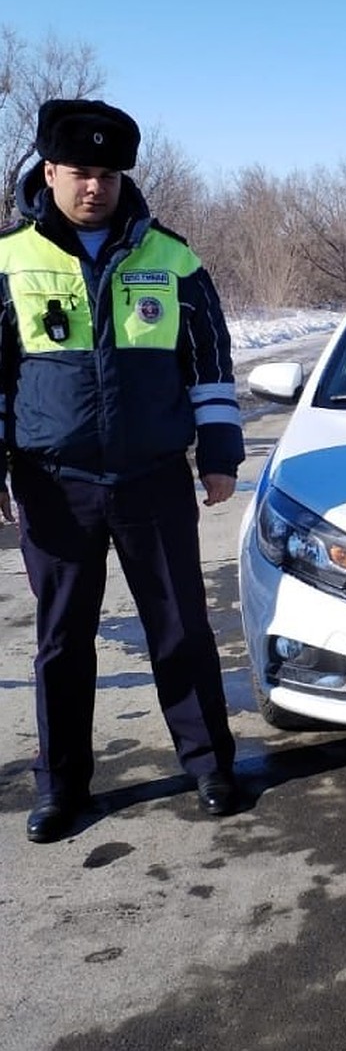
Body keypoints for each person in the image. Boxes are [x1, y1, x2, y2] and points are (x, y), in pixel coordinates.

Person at [0, 99, 244, 842]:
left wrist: (222, 455)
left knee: (181, 628)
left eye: (107, 174)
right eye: (80, 172)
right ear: (49, 171)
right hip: (55, 483)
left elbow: (209, 365)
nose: (94, 187)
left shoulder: (171, 258)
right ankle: (60, 787)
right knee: (62, 642)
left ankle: (209, 766)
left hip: (152, 478)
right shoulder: (10, 260)